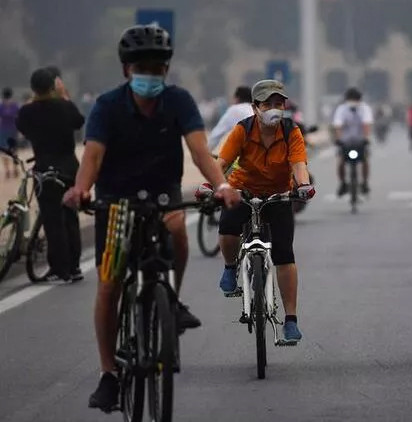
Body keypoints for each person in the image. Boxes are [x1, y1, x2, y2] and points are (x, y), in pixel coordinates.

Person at [61, 24, 240, 413]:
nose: (151, 74)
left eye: (158, 67)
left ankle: (171, 298)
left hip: (162, 191)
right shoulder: (107, 106)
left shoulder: (179, 101)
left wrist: (222, 186)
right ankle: (109, 373)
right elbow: (92, 156)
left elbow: (199, 151)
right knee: (109, 285)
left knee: (178, 230)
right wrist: (82, 189)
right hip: (117, 198)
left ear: (167, 70)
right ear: (127, 70)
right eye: (143, 66)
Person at [215, 79, 315, 344]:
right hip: (243, 190)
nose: (273, 108)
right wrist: (217, 185)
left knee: (284, 255)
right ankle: (229, 267)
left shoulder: (291, 130)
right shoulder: (242, 130)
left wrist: (303, 185)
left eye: (278, 103)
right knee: (227, 229)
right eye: (267, 104)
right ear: (255, 107)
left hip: (278, 195)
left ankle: (291, 320)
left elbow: (299, 164)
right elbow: (222, 163)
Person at [16, 68, 85, 282]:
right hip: (69, 166)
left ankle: (60, 268)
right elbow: (79, 122)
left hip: (44, 166)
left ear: (33, 88)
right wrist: (64, 97)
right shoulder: (65, 106)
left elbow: (23, 129)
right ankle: (74, 267)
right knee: (70, 217)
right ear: (53, 86)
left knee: (52, 219)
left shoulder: (27, 112)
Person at [332, 87, 373, 196]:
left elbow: (366, 125)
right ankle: (342, 183)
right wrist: (338, 139)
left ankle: (364, 182)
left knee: (365, 160)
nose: (353, 102)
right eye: (351, 99)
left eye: (355, 99)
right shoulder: (341, 109)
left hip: (360, 141)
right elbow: (338, 125)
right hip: (345, 141)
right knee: (341, 161)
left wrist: (366, 138)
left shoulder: (365, 108)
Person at [207, 85, 254, 152]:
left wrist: (206, 152)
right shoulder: (255, 109)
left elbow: (216, 134)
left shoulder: (234, 110)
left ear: (237, 98)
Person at [0, 87, 20, 178]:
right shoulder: (15, 106)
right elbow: (18, 118)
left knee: (5, 151)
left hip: (4, 130)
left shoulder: (1, 106)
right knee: (14, 150)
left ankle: (8, 170)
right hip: (13, 130)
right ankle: (15, 169)